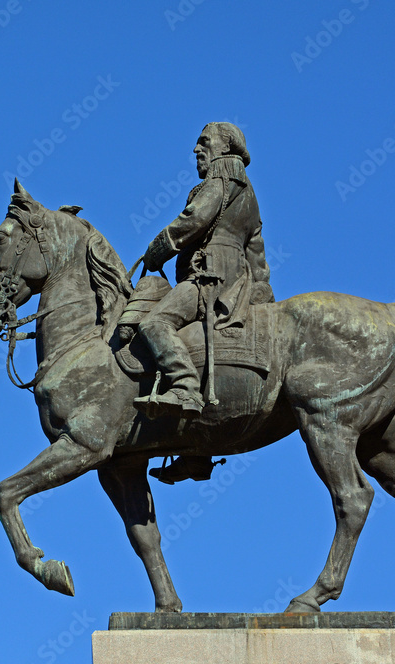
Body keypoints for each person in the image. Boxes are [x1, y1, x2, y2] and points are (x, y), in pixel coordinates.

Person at [133, 122, 273, 484]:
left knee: (154, 323)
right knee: (196, 345)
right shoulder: (250, 194)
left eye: (203, 142)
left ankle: (184, 388)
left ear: (225, 148)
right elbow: (256, 254)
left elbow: (193, 220)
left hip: (207, 279)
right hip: (236, 283)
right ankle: (195, 456)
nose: (197, 150)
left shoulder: (219, 182)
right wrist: (260, 292)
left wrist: (158, 247)